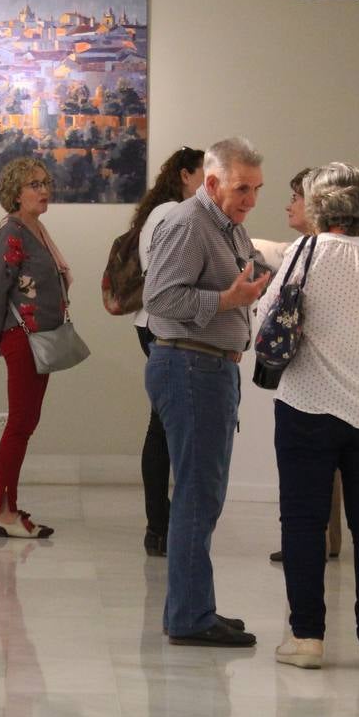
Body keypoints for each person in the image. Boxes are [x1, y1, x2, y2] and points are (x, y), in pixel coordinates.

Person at [267, 163, 359, 671]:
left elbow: (272, 309)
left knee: (303, 521)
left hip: (309, 402)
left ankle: (307, 638)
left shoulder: (305, 252)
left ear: (321, 209)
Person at [143, 137, 272, 647]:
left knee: (205, 495)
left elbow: (248, 272)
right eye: (243, 189)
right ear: (213, 183)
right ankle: (189, 618)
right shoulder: (188, 224)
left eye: (257, 189)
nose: (251, 200)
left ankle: (195, 607)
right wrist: (225, 301)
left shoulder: (227, 226)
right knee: (198, 497)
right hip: (189, 368)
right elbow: (160, 297)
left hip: (210, 368)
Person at [0, 157, 73, 539]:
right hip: (23, 337)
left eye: (45, 183)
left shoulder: (35, 228)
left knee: (26, 422)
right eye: (34, 184)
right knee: (19, 424)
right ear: (15, 193)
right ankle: (3, 511)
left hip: (40, 337)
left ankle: (6, 504)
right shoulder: (12, 231)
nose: (44, 190)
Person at [129, 146, 206, 557]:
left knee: (162, 426)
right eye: (204, 174)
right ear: (184, 175)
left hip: (155, 325)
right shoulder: (172, 215)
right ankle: (160, 525)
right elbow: (171, 282)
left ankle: (161, 524)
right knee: (164, 428)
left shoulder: (161, 213)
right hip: (162, 328)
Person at [267, 168, 345, 565]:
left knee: (308, 481)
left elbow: (270, 309)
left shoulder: (310, 252)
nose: (289, 205)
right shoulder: (346, 250)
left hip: (312, 390)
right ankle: (322, 539)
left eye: (296, 197)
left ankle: (313, 542)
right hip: (342, 392)